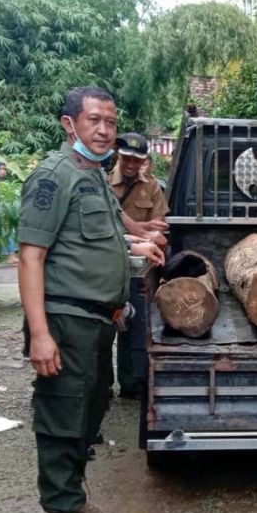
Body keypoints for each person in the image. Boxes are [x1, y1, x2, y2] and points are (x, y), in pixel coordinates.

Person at [17, 86, 165, 513]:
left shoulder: (95, 176)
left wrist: (135, 257)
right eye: (93, 120)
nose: (103, 129)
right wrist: (40, 334)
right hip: (66, 321)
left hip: (100, 321)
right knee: (62, 424)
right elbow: (31, 257)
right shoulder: (53, 177)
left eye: (110, 121)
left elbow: (102, 240)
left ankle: (75, 504)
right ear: (69, 124)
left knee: (89, 416)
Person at [109, 133, 168, 399]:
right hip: (106, 266)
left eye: (137, 160)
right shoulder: (101, 182)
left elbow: (161, 230)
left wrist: (139, 231)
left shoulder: (152, 187)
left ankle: (131, 383)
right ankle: (101, 386)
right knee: (104, 325)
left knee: (134, 328)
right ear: (118, 156)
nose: (131, 165)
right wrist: (143, 230)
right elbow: (105, 227)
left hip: (138, 271)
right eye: (127, 159)